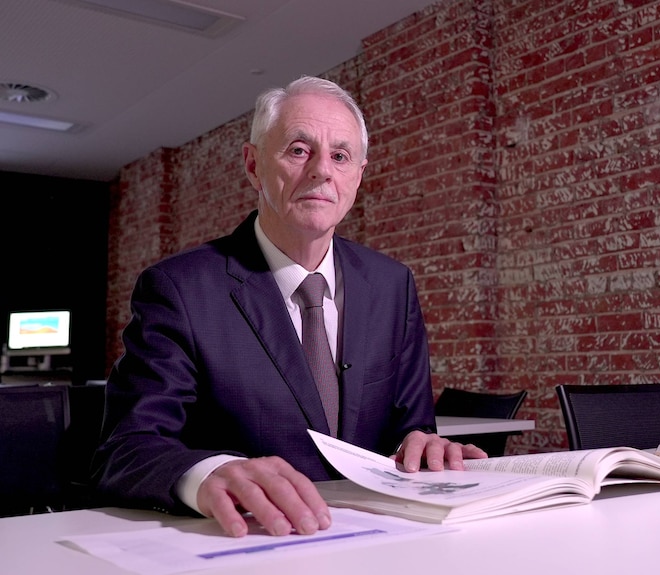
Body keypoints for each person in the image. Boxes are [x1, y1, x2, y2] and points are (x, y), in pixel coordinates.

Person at [92, 75, 486, 538]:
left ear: (358, 175)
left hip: (380, 543)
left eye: (340, 156)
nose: (322, 170)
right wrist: (206, 474)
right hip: (250, 543)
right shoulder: (179, 288)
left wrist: (422, 446)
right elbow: (127, 448)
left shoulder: (392, 284)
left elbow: (411, 428)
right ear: (253, 165)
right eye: (299, 150)